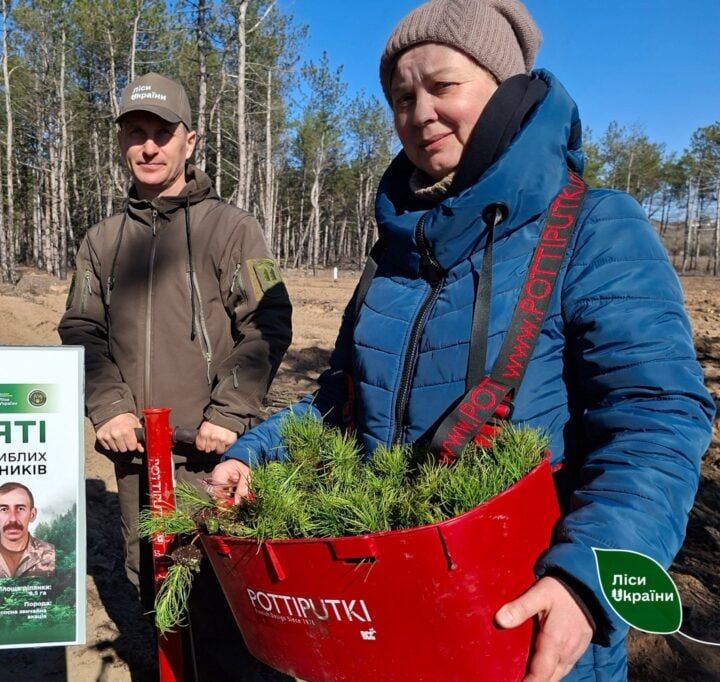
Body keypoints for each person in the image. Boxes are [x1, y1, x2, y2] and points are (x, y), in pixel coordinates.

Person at [212, 1, 714, 680]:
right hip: (397, 614)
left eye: (443, 86)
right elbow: (338, 405)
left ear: (505, 88)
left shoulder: (595, 228)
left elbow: (655, 420)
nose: (420, 113)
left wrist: (586, 583)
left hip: (531, 621)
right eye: (401, 96)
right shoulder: (392, 257)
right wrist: (253, 455)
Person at [58, 72, 292, 678]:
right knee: (153, 591)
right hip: (138, 459)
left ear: (191, 141)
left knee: (222, 598)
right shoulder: (101, 242)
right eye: (136, 133)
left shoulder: (232, 229)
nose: (150, 147)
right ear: (121, 144)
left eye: (163, 133)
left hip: (212, 457)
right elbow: (82, 330)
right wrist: (108, 406)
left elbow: (268, 320)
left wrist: (229, 414)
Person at [0, 481, 56, 579]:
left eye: (20, 509)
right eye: (4, 509)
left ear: (32, 514)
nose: (13, 519)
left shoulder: (51, 553)